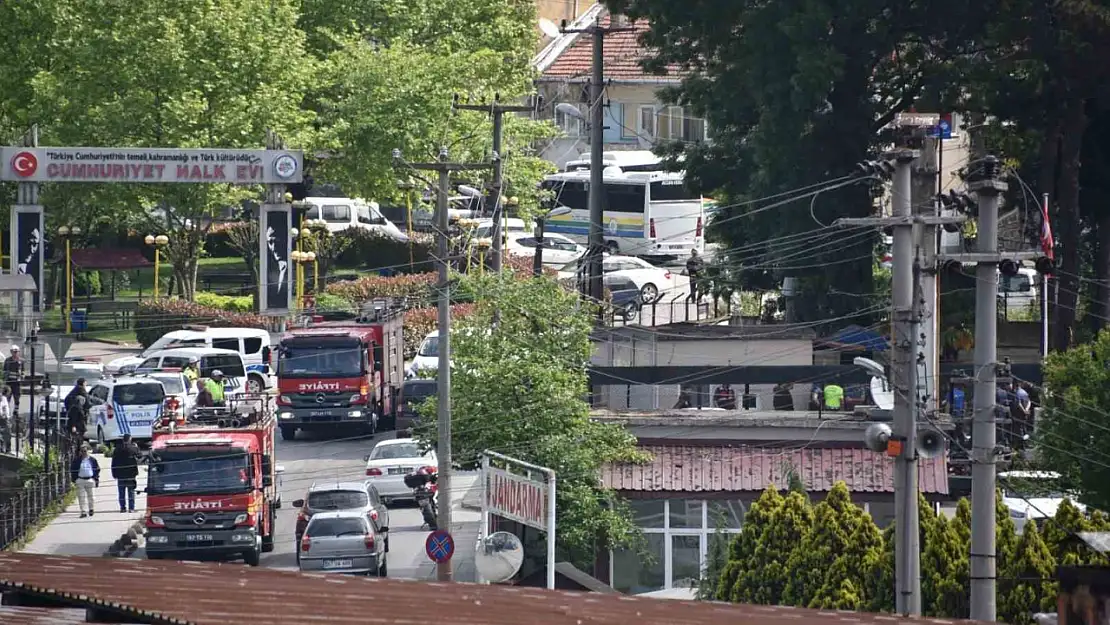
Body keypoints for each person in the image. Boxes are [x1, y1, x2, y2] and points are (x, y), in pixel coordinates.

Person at [111, 434, 140, 513]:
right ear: (129, 439)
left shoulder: (117, 449)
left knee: (121, 492)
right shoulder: (133, 448)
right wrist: (136, 447)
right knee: (131, 492)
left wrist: (113, 473)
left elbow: (113, 462)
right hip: (130, 474)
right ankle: (131, 508)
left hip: (120, 474)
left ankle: (122, 508)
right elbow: (140, 455)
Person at [69, 443, 100, 518]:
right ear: (80, 452)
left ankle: (91, 509)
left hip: (90, 479)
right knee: (81, 497)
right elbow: (72, 469)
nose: (84, 452)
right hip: (80, 479)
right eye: (82, 451)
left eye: (85, 451)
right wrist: (75, 479)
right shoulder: (77, 460)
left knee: (91, 496)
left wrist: (95, 478)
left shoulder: (92, 460)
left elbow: (97, 469)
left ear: (88, 451)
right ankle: (83, 511)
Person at [3, 345, 22, 429]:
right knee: (7, 399)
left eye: (16, 352)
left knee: (17, 398)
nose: (14, 353)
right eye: (13, 351)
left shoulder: (20, 361)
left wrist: (21, 375)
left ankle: (15, 412)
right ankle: (7, 414)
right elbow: (5, 371)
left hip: (17, 384)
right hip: (9, 382)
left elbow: (22, 372)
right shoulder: (7, 360)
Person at [0, 385, 10, 453]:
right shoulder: (3, 398)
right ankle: (6, 449)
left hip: (4, 417)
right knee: (7, 433)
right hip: (4, 418)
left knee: (3, 433)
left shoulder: (3, 398)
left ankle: (3, 448)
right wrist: (4, 415)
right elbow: (2, 407)